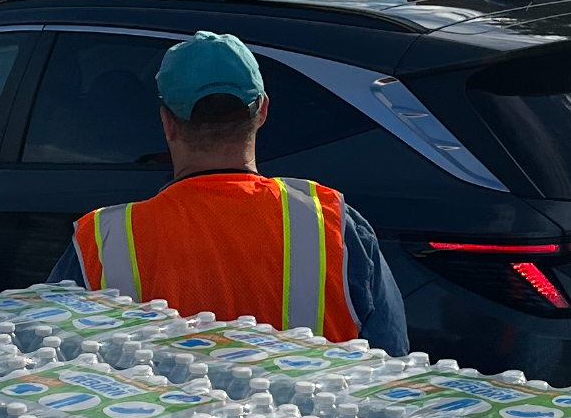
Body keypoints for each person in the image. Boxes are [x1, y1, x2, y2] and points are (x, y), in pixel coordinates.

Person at [48, 31, 408, 353]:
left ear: (167, 124)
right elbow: (392, 365)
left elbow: (56, 362)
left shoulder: (101, 241)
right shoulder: (333, 222)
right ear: (263, 111)